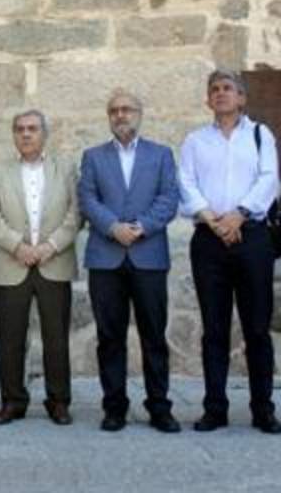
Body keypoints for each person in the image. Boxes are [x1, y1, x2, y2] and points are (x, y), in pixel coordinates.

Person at [178, 70, 281, 434]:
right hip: (209, 241)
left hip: (252, 237)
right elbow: (186, 184)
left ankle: (263, 408)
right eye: (215, 90)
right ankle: (215, 407)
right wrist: (213, 220)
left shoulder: (259, 135)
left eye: (228, 89)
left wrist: (238, 215)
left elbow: (268, 178)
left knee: (257, 327)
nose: (221, 94)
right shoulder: (194, 141)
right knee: (214, 329)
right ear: (208, 100)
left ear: (241, 98)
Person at [78, 89, 181, 434]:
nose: (121, 115)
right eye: (114, 111)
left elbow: (169, 198)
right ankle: (114, 407)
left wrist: (141, 228)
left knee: (154, 335)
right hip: (106, 258)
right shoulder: (93, 157)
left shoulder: (161, 154)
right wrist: (112, 227)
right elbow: (87, 198)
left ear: (140, 113)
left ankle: (159, 406)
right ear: (109, 117)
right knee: (110, 336)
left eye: (127, 109)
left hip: (148, 255)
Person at [0, 110, 79, 426]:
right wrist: (18, 246)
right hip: (12, 263)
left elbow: (76, 214)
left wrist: (49, 247)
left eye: (33, 129)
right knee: (10, 339)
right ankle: (12, 401)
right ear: (13, 135)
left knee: (56, 338)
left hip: (54, 262)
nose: (26, 134)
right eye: (20, 129)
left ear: (44, 134)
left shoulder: (64, 168)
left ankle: (59, 401)